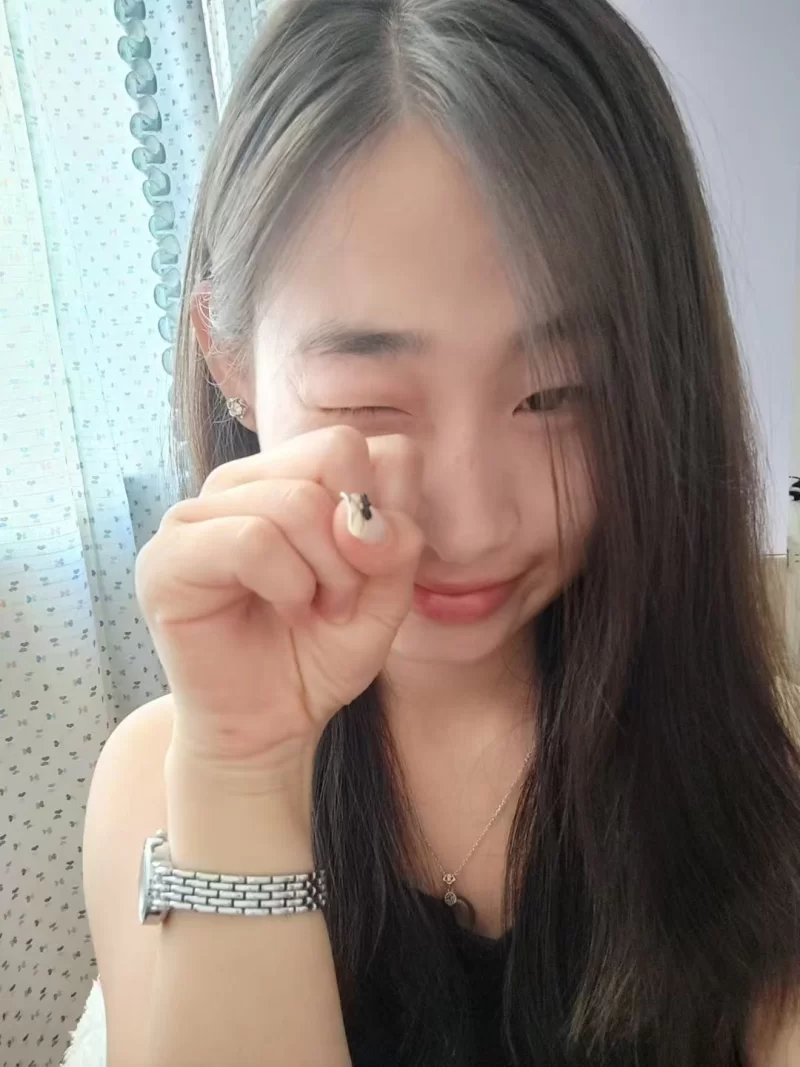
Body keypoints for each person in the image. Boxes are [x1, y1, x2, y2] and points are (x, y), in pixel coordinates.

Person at [81, 1, 800, 1064]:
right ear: (230, 363)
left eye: (557, 394)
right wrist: (241, 775)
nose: (469, 521)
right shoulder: (163, 779)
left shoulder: (739, 770)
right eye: (369, 402)